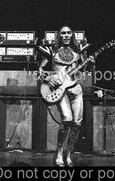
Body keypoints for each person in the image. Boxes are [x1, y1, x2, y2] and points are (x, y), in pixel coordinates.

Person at [38, 25, 95, 167]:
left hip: (76, 89)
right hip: (60, 89)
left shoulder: (79, 50)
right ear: (59, 35)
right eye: (63, 33)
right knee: (67, 120)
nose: (66, 35)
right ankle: (59, 151)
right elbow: (40, 70)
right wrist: (48, 78)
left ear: (72, 35)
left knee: (77, 123)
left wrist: (92, 65)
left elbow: (87, 68)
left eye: (69, 33)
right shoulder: (51, 50)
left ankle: (68, 154)